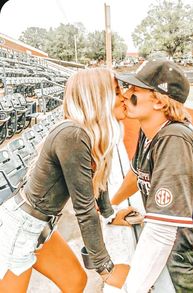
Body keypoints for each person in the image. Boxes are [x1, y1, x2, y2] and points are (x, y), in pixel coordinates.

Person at [0, 67, 133, 293]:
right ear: (98, 97)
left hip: (40, 226)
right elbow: (84, 207)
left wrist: (110, 214)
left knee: (75, 281)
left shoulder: (85, 133)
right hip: (20, 228)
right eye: (117, 92)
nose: (125, 97)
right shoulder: (72, 134)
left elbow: (96, 185)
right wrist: (105, 267)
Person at [108, 60, 193, 293]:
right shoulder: (150, 130)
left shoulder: (174, 139)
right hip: (183, 257)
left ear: (158, 100)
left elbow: (161, 232)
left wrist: (131, 289)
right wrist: (110, 205)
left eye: (135, 90)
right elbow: (136, 175)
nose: (126, 95)